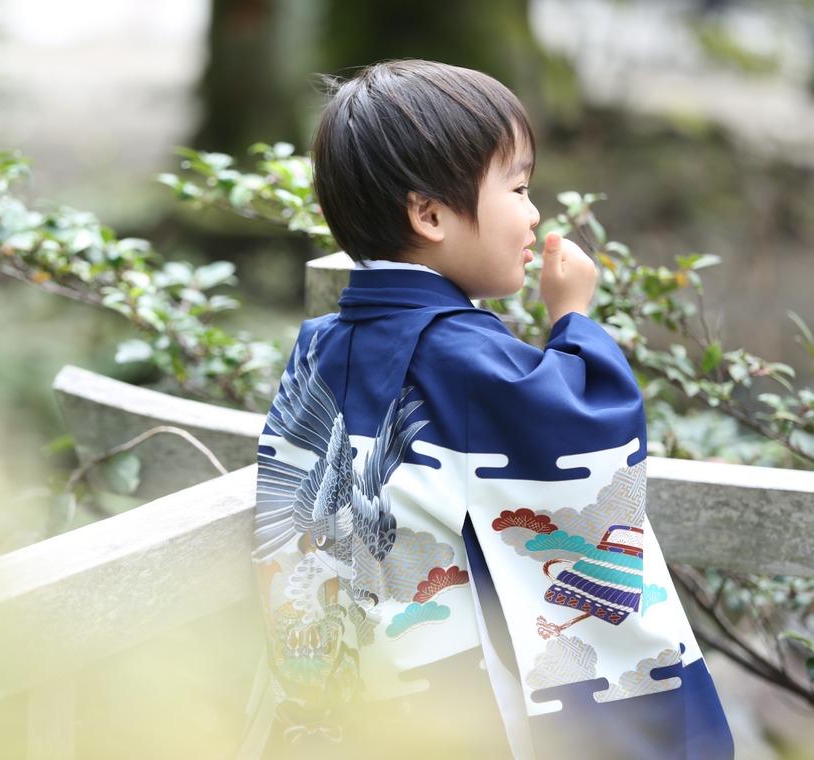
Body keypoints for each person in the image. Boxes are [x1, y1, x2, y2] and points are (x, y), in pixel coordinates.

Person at [243, 60, 734, 759]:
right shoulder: (464, 357)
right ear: (430, 214)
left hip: (370, 697)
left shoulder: (320, 346)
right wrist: (575, 325)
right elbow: (580, 431)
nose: (535, 214)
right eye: (519, 188)